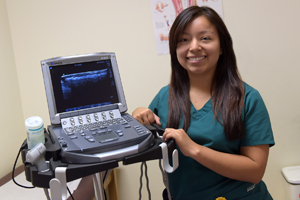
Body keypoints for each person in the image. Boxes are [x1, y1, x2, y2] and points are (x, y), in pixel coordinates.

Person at [132, 6, 275, 200]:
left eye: (205, 38)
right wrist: (139, 115)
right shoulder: (165, 96)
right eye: (184, 40)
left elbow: (255, 171)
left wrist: (195, 150)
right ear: (175, 49)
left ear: (222, 45)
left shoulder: (247, 98)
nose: (193, 47)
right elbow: (148, 134)